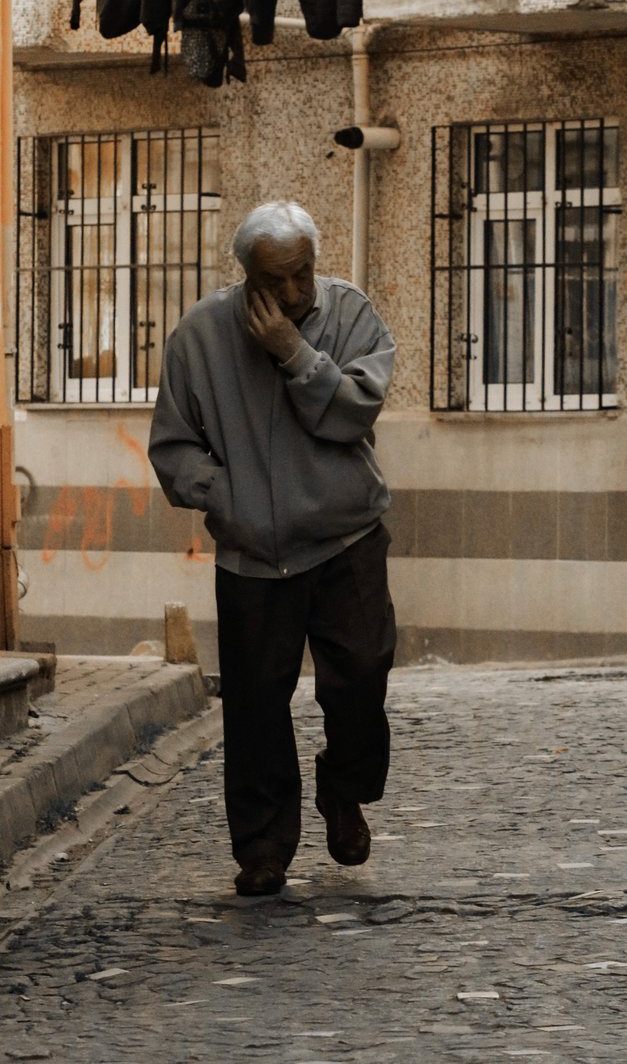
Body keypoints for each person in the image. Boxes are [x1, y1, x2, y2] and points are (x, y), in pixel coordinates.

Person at [149, 200, 397, 897]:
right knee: (256, 705)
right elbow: (172, 446)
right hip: (253, 556)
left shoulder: (349, 314)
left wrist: (295, 353)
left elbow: (354, 415)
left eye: (302, 273)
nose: (292, 292)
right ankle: (262, 848)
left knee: (364, 674)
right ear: (246, 275)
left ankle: (342, 790)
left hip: (346, 537)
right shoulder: (200, 336)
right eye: (274, 280)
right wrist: (226, 497)